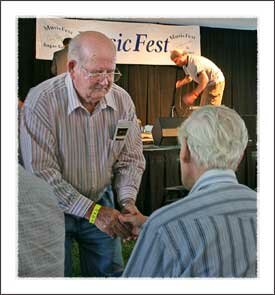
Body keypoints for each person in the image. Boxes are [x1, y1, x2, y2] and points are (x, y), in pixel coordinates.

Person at [20, 31, 145, 277]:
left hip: (101, 198)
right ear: (72, 67)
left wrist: (127, 202)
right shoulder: (42, 101)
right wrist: (93, 213)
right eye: (96, 72)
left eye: (111, 72)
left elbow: (130, 158)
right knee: (53, 276)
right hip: (49, 207)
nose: (106, 81)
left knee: (109, 274)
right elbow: (42, 175)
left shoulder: (122, 101)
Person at [120, 105, 257, 277]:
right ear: (240, 156)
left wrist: (157, 227)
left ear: (185, 151)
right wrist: (149, 224)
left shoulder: (163, 227)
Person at [18, 165, 65, 277]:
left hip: (98, 202)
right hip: (59, 202)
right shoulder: (42, 191)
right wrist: (92, 211)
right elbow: (45, 170)